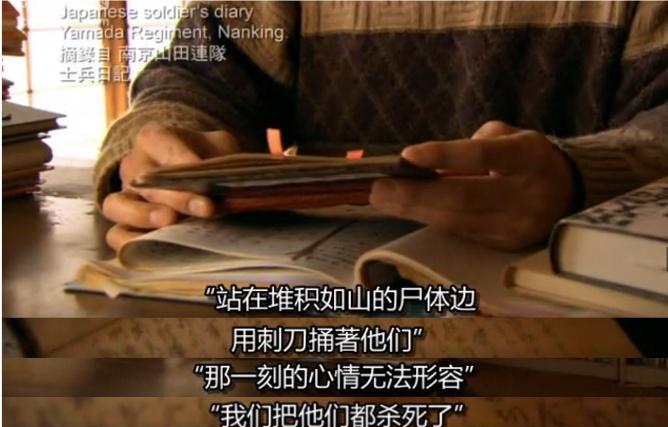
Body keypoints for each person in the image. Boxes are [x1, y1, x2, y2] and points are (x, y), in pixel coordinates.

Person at [96, 1, 667, 252]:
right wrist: (160, 152)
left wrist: (580, 177)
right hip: (312, 340)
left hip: (582, 346)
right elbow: (194, 76)